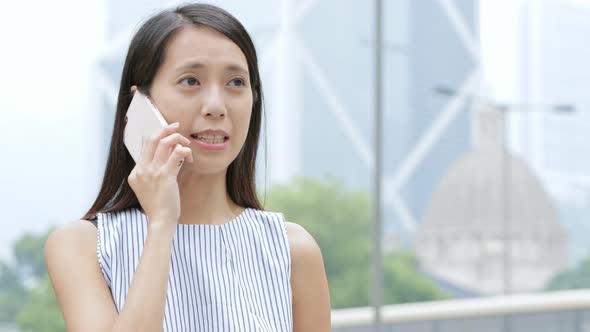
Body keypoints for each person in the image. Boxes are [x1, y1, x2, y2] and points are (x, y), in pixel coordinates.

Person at [44, 3, 331, 331]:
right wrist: (162, 222)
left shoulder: (293, 252)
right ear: (140, 103)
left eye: (236, 82)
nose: (215, 106)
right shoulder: (83, 246)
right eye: (191, 80)